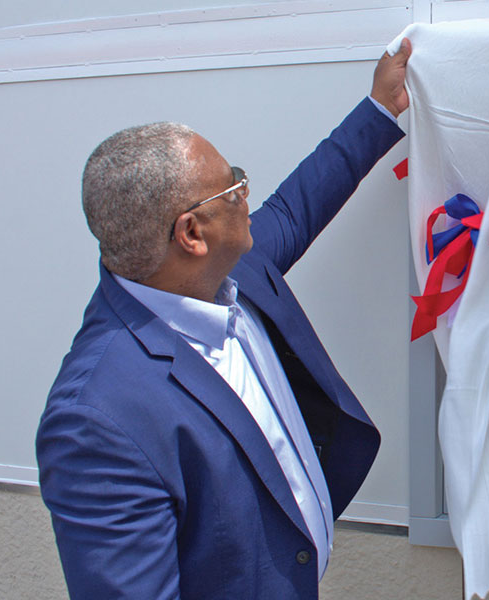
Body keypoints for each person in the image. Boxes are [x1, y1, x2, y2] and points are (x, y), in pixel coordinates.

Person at [36, 40, 411, 599]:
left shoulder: (228, 273)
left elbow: (297, 205)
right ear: (192, 233)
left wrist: (380, 106)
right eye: (234, 186)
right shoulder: (97, 418)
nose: (247, 193)